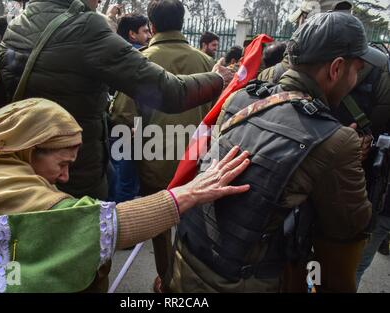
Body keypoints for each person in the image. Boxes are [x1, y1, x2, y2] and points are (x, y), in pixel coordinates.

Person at [165, 12, 387, 293]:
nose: (356, 78)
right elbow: (348, 232)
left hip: (185, 268)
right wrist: (350, 161)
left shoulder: (240, 98)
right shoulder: (337, 141)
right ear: (336, 68)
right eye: (356, 70)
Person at [0, 98, 251, 293]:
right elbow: (96, 226)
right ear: (30, 148)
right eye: (62, 164)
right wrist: (188, 194)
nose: (64, 177)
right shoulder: (9, 186)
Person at [0, 0, 232, 202]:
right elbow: (168, 92)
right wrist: (218, 78)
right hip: (76, 169)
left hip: (27, 166)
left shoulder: (17, 25)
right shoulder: (84, 26)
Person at [110, 0, 217, 292]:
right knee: (196, 225)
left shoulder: (141, 60)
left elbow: (121, 115)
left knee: (160, 222)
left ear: (152, 26)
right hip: (199, 161)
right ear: (182, 23)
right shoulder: (206, 62)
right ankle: (190, 281)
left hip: (154, 159)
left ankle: (166, 277)